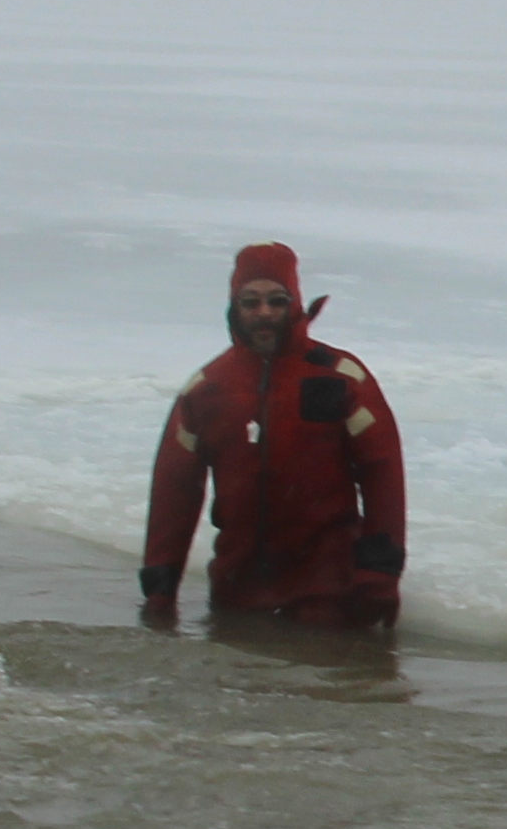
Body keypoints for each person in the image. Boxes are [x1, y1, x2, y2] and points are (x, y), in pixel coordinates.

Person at [139, 241, 403, 632]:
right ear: (234, 308)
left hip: (328, 594)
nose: (264, 312)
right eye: (251, 302)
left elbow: (383, 472)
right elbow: (174, 491)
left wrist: (380, 571)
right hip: (237, 595)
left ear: (295, 305)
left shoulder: (339, 377)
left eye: (277, 301)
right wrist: (160, 588)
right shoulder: (208, 389)